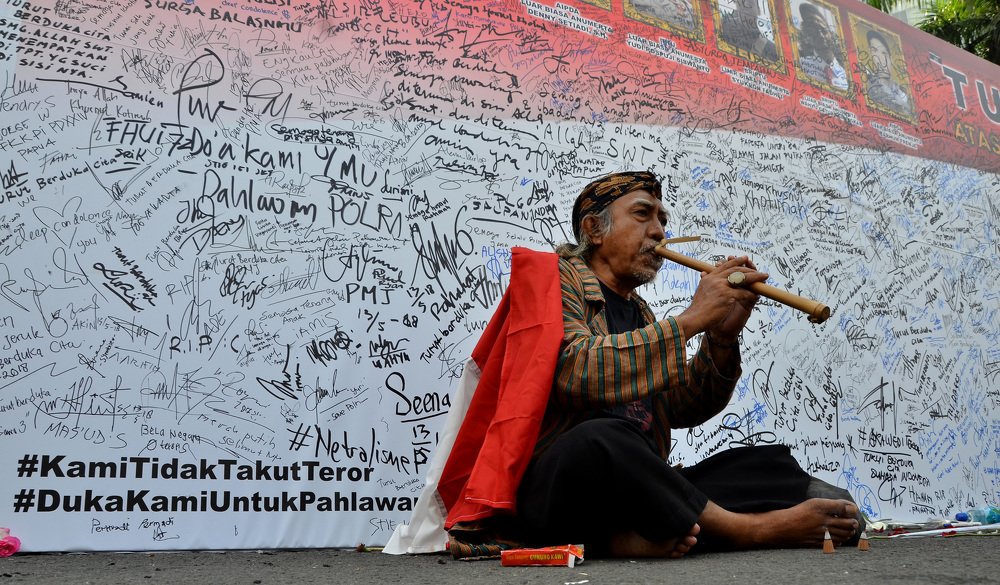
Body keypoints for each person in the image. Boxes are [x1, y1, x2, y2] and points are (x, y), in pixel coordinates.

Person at [509, 170, 862, 557]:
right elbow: (575, 373)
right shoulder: (553, 279)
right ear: (594, 229)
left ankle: (639, 537)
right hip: (565, 488)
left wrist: (721, 337)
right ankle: (751, 529)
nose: (659, 232)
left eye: (662, 219)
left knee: (763, 465)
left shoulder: (639, 312)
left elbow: (683, 408)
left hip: (639, 487)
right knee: (602, 438)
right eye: (643, 214)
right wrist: (691, 319)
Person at [796, 2, 848, 90]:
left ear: (831, 35)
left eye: (824, 30)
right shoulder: (802, 65)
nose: (821, 36)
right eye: (815, 32)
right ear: (808, 38)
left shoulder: (845, 76)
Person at [864, 29, 911, 114]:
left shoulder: (903, 93)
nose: (880, 60)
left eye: (884, 53)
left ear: (891, 59)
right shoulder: (869, 88)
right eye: (874, 51)